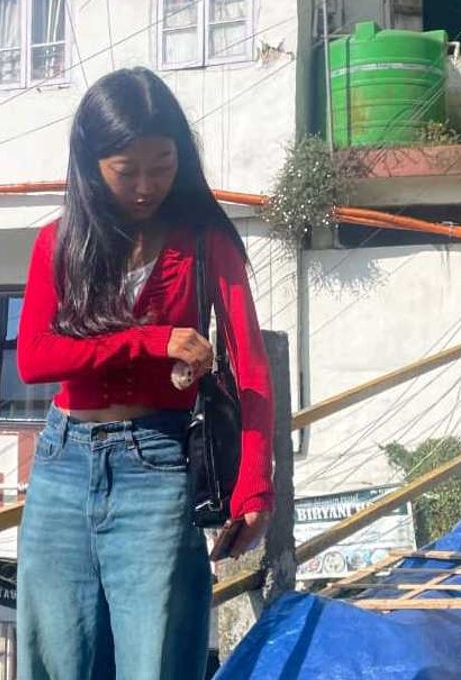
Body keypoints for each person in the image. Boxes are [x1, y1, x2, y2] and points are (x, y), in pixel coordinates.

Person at [16, 67, 274, 680]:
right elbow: (35, 359)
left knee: (154, 661)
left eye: (161, 165)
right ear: (90, 162)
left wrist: (254, 490)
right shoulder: (58, 243)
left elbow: (251, 367)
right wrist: (149, 342)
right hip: (60, 465)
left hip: (157, 467)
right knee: (52, 661)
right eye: (125, 170)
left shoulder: (207, 240)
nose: (145, 185)